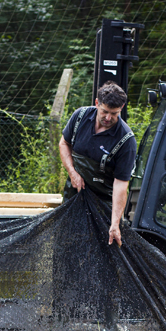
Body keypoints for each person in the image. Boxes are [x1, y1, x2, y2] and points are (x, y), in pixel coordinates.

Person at [59, 82, 137, 247]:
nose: (108, 118)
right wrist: (72, 173)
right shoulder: (80, 117)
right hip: (74, 196)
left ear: (121, 108)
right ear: (96, 103)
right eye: (104, 111)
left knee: (98, 248)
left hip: (103, 203)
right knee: (68, 243)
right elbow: (64, 143)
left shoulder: (126, 141)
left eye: (114, 113)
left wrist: (115, 223)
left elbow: (121, 184)